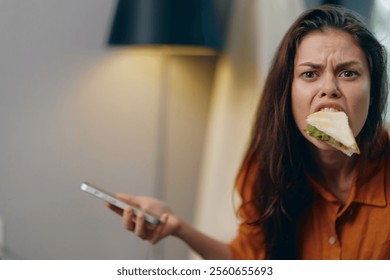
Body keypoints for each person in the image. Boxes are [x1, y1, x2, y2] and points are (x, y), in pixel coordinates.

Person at [107, 5, 390, 260]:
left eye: (348, 73)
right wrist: (177, 227)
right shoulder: (267, 169)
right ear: (286, 93)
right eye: (309, 74)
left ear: (373, 92)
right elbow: (248, 263)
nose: (329, 88)